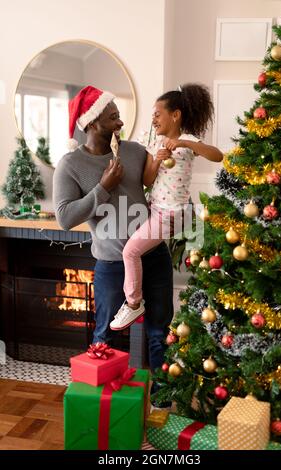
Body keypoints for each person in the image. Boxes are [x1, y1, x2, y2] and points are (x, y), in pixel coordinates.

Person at [53, 86, 174, 386]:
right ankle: (104, 403)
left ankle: (162, 401)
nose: (120, 123)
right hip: (111, 264)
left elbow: (162, 174)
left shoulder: (133, 151)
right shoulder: (70, 165)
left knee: (159, 332)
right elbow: (65, 218)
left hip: (154, 257)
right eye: (113, 117)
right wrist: (103, 187)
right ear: (93, 124)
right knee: (105, 336)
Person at [109, 83, 223, 331]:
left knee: (130, 252)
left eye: (157, 114)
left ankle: (133, 303)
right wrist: (157, 161)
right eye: (152, 115)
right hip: (156, 209)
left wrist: (184, 144)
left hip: (172, 214)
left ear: (176, 114)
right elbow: (148, 180)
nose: (154, 119)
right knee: (135, 249)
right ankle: (140, 298)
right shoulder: (156, 143)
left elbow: (217, 155)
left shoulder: (189, 141)